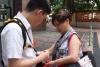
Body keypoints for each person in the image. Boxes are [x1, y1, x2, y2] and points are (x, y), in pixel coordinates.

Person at [1, 0, 51, 67]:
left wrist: (37, 54)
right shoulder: (14, 29)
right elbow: (14, 65)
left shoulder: (24, 26)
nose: (42, 22)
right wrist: (40, 58)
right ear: (39, 13)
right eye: (43, 18)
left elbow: (24, 52)